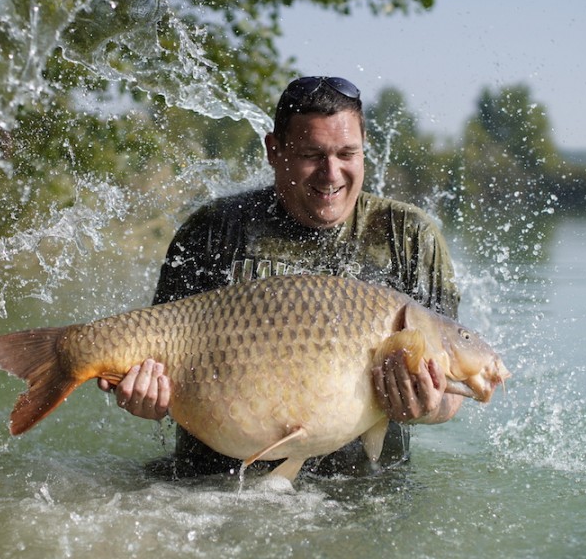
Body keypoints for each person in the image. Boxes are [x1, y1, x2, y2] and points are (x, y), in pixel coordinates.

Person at [99, 76, 463, 477]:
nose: (331, 173)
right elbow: (157, 360)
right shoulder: (215, 230)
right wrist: (146, 397)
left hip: (360, 490)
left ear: (364, 149)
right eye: (312, 154)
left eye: (347, 153)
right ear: (275, 151)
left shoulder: (409, 236)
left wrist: (429, 406)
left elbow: (453, 388)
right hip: (215, 490)